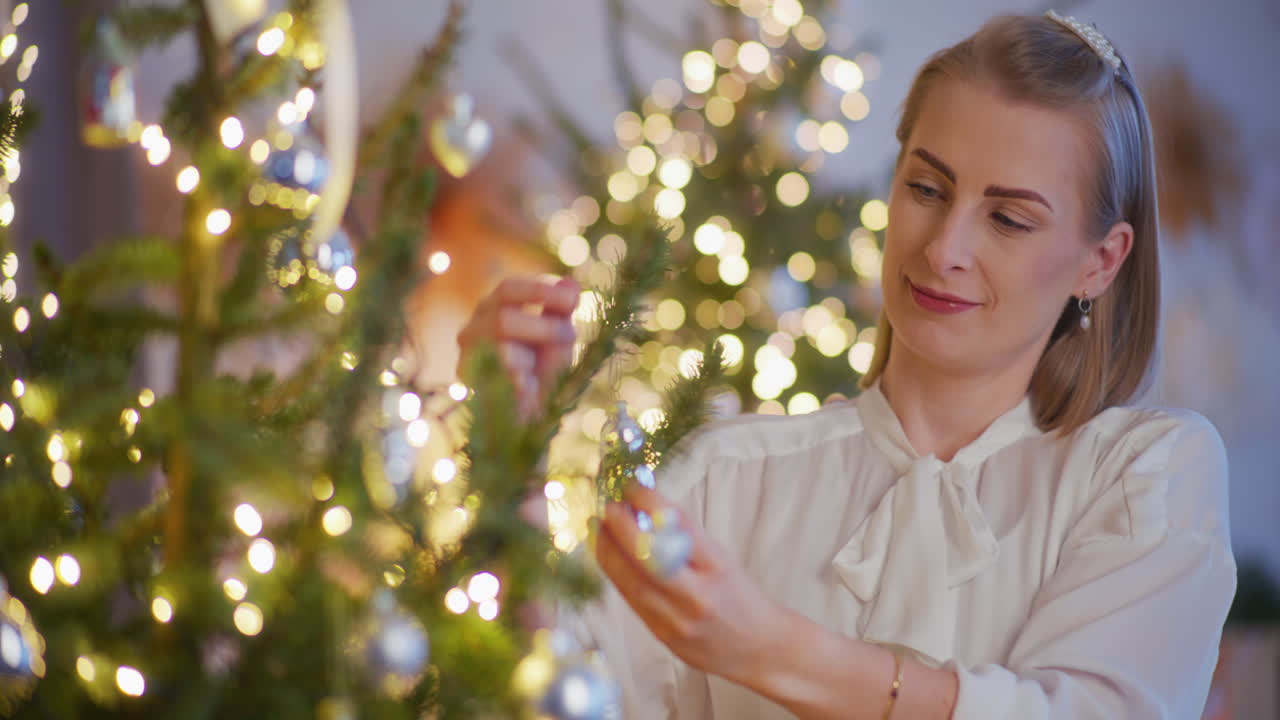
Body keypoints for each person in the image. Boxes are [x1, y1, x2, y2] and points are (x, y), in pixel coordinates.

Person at [458, 11, 1235, 719]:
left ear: (1100, 262)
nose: (943, 249)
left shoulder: (1146, 477)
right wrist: (510, 461)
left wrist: (772, 651)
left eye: (1007, 218)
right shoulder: (722, 476)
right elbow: (556, 692)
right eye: (926, 188)